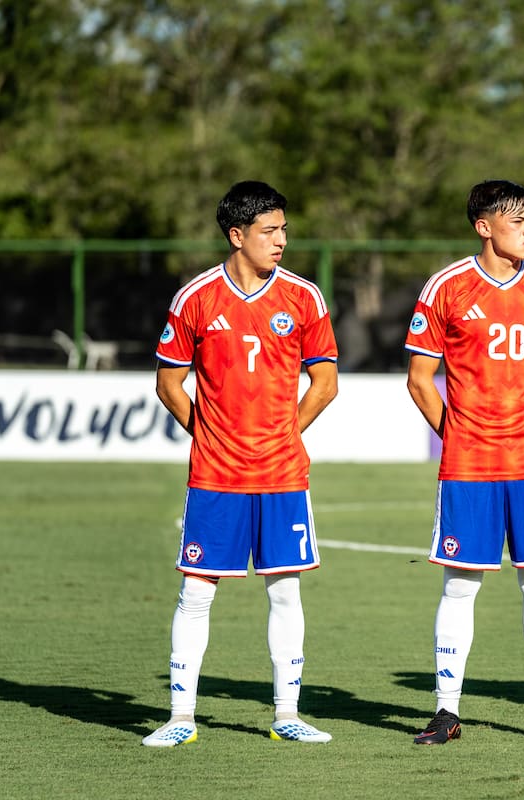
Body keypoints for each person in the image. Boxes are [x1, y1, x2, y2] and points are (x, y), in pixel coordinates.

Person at [404, 179, 524, 745]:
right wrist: (462, 436)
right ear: (484, 227)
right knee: (460, 588)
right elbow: (420, 380)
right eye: (519, 221)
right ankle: (446, 712)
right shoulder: (446, 287)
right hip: (470, 468)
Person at [142, 181, 339, 747]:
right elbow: (169, 382)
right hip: (216, 476)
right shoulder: (196, 298)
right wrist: (209, 433)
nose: (281, 240)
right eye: (269, 231)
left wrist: (282, 434)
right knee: (197, 593)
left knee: (284, 591)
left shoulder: (304, 298)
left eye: (284, 229)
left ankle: (287, 714)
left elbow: (324, 384)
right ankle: (181, 718)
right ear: (237, 235)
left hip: (282, 475)